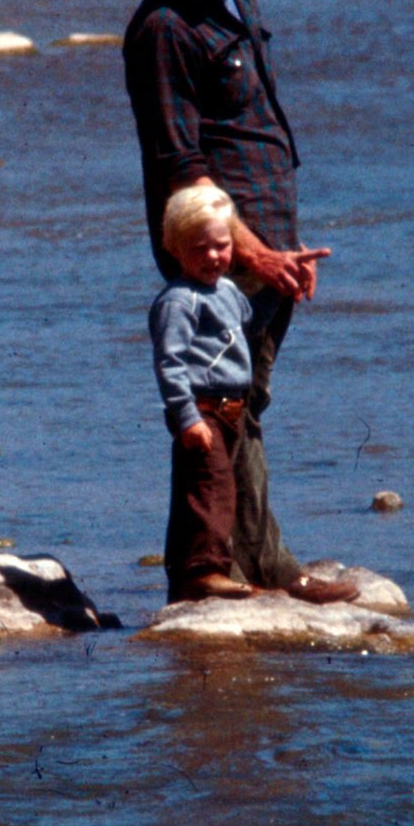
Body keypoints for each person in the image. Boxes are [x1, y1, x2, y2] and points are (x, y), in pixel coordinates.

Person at [123, 0, 358, 605]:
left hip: (266, 243)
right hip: (218, 255)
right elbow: (183, 169)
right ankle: (234, 571)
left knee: (241, 404)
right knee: (219, 410)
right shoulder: (163, 30)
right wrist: (256, 255)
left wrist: (281, 251)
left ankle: (234, 566)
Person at [150, 182, 258, 601]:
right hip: (201, 409)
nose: (213, 256)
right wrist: (187, 417)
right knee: (212, 488)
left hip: (232, 410)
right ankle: (205, 570)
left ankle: (186, 578)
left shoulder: (228, 292)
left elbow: (244, 329)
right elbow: (170, 363)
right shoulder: (179, 301)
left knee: (207, 489)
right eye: (200, 248)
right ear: (176, 249)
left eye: (222, 245)